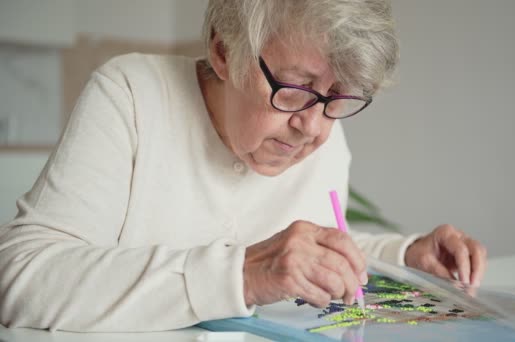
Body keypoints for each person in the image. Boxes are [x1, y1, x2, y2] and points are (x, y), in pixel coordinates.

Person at [0, 0, 486, 332]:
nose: (313, 128)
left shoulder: (324, 137)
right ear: (223, 50)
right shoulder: (131, 95)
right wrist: (241, 275)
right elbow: (21, 278)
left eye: (338, 99)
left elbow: (315, 249)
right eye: (294, 87)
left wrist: (405, 257)